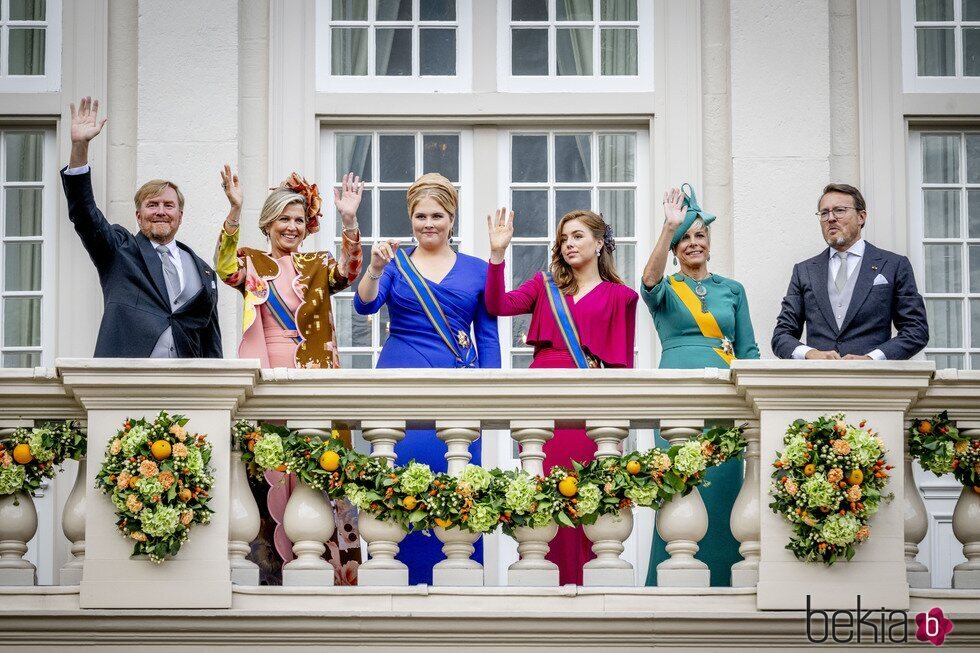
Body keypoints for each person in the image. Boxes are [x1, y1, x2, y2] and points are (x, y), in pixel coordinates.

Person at [214, 167, 365, 583]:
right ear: (268, 223)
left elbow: (350, 272)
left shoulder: (317, 264)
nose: (292, 227)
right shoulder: (252, 261)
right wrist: (234, 210)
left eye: (299, 220)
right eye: (284, 218)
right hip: (268, 377)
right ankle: (271, 574)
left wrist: (349, 220)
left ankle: (333, 573)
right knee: (270, 471)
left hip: (314, 373)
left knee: (320, 470)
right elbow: (225, 267)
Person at [354, 172, 501, 585]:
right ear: (411, 218)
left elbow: (487, 337)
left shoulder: (477, 269)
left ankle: (461, 589)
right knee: (398, 487)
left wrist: (491, 396)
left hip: (459, 389)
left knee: (457, 492)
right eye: (420, 216)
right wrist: (375, 267)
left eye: (437, 215)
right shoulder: (395, 264)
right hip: (400, 381)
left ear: (452, 218)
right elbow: (365, 306)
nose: (428, 223)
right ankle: (394, 586)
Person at [485, 207, 638, 585]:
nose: (568, 243)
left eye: (578, 236)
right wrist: (497, 255)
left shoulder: (623, 297)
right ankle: (541, 586)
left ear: (600, 243)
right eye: (564, 238)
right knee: (543, 495)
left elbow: (620, 371)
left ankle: (587, 589)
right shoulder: (544, 285)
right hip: (543, 398)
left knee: (587, 499)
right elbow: (496, 305)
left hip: (589, 401)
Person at [640, 184, 760, 587]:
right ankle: (669, 586)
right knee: (679, 492)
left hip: (723, 402)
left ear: (709, 242)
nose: (693, 243)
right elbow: (649, 280)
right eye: (684, 238)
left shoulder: (733, 289)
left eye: (699, 235)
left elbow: (749, 352)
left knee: (725, 495)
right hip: (677, 399)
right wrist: (666, 227)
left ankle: (726, 584)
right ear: (675, 248)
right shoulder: (667, 289)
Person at [61, 97, 222, 358]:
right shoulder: (119, 250)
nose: (160, 211)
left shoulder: (203, 269)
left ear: (180, 216)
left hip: (187, 389)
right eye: (152, 205)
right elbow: (84, 214)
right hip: (128, 382)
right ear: (138, 215)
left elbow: (211, 341)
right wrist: (79, 149)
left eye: (168, 206)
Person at [772, 183, 928, 360]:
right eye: (824, 213)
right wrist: (810, 354)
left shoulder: (894, 265)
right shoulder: (804, 271)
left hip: (873, 382)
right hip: (818, 382)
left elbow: (916, 330)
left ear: (861, 217)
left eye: (839, 210)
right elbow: (781, 335)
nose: (830, 218)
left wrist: (872, 359)